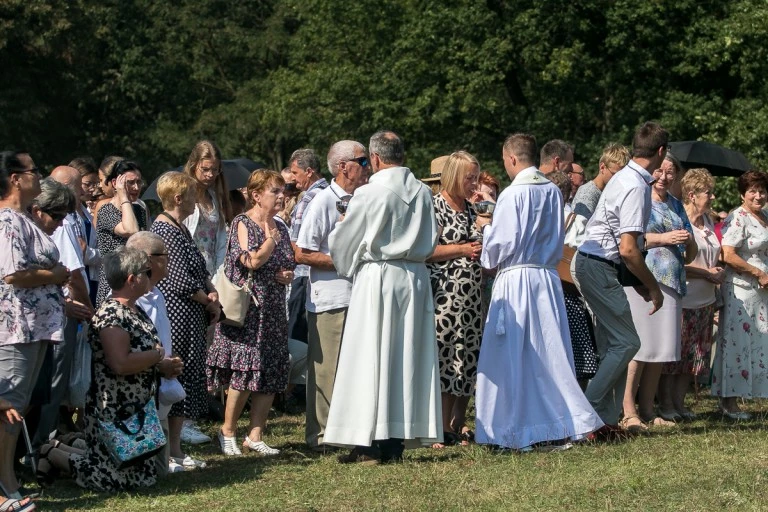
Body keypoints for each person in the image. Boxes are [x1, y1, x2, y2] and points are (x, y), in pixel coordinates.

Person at [474, 135, 602, 451]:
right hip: (545, 278)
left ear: (511, 158)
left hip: (516, 279)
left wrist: (484, 227)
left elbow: (499, 246)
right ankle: (554, 425)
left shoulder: (512, 194)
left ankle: (510, 430)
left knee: (512, 355)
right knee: (548, 353)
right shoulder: (551, 191)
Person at [324, 131, 442, 464]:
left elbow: (344, 242)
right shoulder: (422, 191)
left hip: (378, 276)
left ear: (375, 159)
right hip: (414, 278)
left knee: (369, 357)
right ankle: (395, 441)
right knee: (405, 356)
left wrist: (345, 239)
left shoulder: (370, 192)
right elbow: (431, 239)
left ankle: (366, 444)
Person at [34, 248, 164, 491]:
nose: (151, 276)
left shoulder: (136, 310)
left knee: (146, 476)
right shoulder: (112, 315)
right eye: (146, 272)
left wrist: (162, 364)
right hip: (113, 409)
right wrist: (157, 356)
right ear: (132, 279)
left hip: (138, 409)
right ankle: (50, 452)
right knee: (113, 481)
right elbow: (120, 364)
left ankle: (70, 443)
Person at [572, 121, 668, 437]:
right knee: (628, 342)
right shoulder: (635, 185)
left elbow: (625, 245)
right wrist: (653, 286)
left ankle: (605, 423)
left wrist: (637, 281)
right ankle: (586, 416)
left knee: (615, 344)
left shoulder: (625, 176)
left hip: (596, 264)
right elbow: (628, 249)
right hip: (597, 265)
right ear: (661, 151)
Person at [207, 170, 295, 456]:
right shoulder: (241, 224)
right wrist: (269, 241)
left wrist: (287, 274)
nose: (281, 197)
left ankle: (255, 434)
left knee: (270, 370)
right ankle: (228, 431)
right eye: (275, 192)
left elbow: (287, 261)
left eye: (282, 191)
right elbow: (251, 261)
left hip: (273, 308)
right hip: (250, 309)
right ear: (257, 196)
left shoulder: (280, 224)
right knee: (244, 372)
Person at [0, 153, 69, 500]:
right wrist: (55, 276)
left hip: (36, 328)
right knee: (8, 406)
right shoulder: (8, 220)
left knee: (19, 406)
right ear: (15, 178)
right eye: (33, 171)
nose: (39, 175)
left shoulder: (24, 218)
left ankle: (9, 479)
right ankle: (5, 484)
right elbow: (11, 273)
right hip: (16, 329)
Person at [296, 140, 370, 451]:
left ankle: (349, 430)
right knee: (326, 371)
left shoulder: (364, 198)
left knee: (355, 367)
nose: (368, 167)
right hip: (331, 298)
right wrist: (345, 261)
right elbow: (302, 252)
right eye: (362, 161)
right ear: (343, 167)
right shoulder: (323, 201)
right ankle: (321, 436)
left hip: (360, 295)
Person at [620, 153, 697, 431]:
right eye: (660, 171)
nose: (664, 177)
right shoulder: (639, 198)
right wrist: (664, 238)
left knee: (659, 350)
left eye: (670, 173)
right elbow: (630, 237)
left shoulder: (676, 204)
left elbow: (692, 250)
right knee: (640, 347)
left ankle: (649, 410)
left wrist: (688, 242)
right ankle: (628, 411)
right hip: (644, 280)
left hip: (673, 281)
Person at [151, 172, 220, 468]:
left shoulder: (180, 228)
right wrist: (207, 299)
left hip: (190, 313)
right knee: (174, 377)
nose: (197, 200)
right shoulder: (164, 231)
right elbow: (178, 279)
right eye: (192, 195)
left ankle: (176, 449)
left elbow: (198, 268)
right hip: (176, 313)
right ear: (178, 198)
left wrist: (212, 291)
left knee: (187, 377)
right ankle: (168, 451)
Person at [425, 150, 483, 447]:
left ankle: (455, 424)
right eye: (468, 178)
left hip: (470, 299)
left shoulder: (472, 209)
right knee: (444, 358)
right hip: (444, 296)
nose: (474, 184)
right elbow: (426, 251)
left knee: (465, 359)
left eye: (476, 177)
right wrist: (462, 249)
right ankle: (437, 427)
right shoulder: (435, 207)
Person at [34, 167, 95, 447]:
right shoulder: (66, 221)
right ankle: (40, 446)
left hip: (54, 312)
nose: (59, 222)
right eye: (56, 216)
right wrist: (86, 307)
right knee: (52, 385)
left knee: (49, 385)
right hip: (55, 318)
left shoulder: (54, 225)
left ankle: (42, 444)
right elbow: (75, 272)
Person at [659, 168, 722, 420]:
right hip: (683, 299)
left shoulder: (707, 221)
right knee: (673, 357)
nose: (713, 197)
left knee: (694, 357)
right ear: (693, 195)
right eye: (709, 192)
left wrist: (714, 274)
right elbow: (675, 262)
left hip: (705, 301)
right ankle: (665, 405)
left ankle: (680, 404)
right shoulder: (679, 219)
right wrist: (706, 273)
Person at [125, 231, 186, 475]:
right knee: (145, 471)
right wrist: (160, 365)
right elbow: (126, 354)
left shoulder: (156, 293)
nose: (169, 259)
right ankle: (60, 452)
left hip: (158, 390)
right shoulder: (130, 299)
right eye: (165, 255)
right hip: (138, 397)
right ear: (148, 261)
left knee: (158, 471)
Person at [711, 170, 768, 419]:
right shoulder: (738, 217)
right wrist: (757, 272)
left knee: (757, 342)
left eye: (762, 190)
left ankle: (752, 393)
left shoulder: (764, 216)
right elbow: (728, 254)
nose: (758, 195)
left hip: (761, 292)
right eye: (752, 191)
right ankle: (729, 403)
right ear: (742, 194)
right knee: (736, 343)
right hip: (741, 291)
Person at [550, 170, 598, 389]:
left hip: (558, 290)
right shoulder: (576, 220)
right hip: (567, 291)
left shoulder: (569, 220)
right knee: (576, 349)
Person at [287, 149, 328, 343]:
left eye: (295, 173)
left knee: (298, 338)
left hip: (304, 276)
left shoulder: (309, 198)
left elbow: (295, 244)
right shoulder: (330, 193)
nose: (293, 179)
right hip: (320, 276)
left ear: (309, 171)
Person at [95, 160, 147, 306]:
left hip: (135, 282)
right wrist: (123, 196)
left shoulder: (139, 210)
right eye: (130, 183)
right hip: (114, 285)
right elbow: (131, 231)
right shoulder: (106, 211)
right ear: (115, 183)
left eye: (139, 182)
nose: (136, 187)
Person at [182, 140, 232, 278]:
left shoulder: (215, 198)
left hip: (213, 271)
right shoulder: (183, 196)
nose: (210, 174)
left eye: (214, 169)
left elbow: (220, 240)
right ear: (193, 166)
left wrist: (220, 273)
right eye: (205, 169)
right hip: (188, 271)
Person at [69, 157, 102, 305]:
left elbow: (87, 251)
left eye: (95, 184)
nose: (92, 189)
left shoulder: (86, 213)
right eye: (88, 184)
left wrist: (92, 253)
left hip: (92, 276)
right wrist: (96, 254)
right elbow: (79, 253)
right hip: (77, 278)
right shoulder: (67, 216)